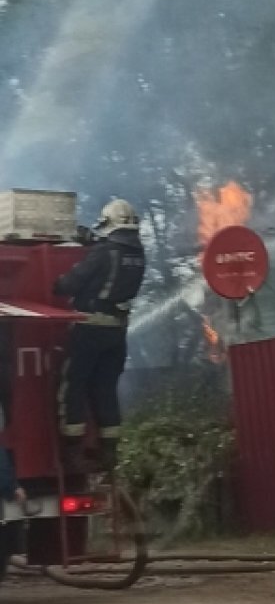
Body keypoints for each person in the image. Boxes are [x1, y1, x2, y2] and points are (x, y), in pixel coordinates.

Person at [52, 199, 146, 473]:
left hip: (89, 329)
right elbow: (113, 261)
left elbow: (72, 281)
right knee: (105, 389)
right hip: (117, 334)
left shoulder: (103, 252)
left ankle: (73, 451)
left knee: (73, 384)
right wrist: (92, 240)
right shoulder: (138, 255)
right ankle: (108, 453)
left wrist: (57, 284)